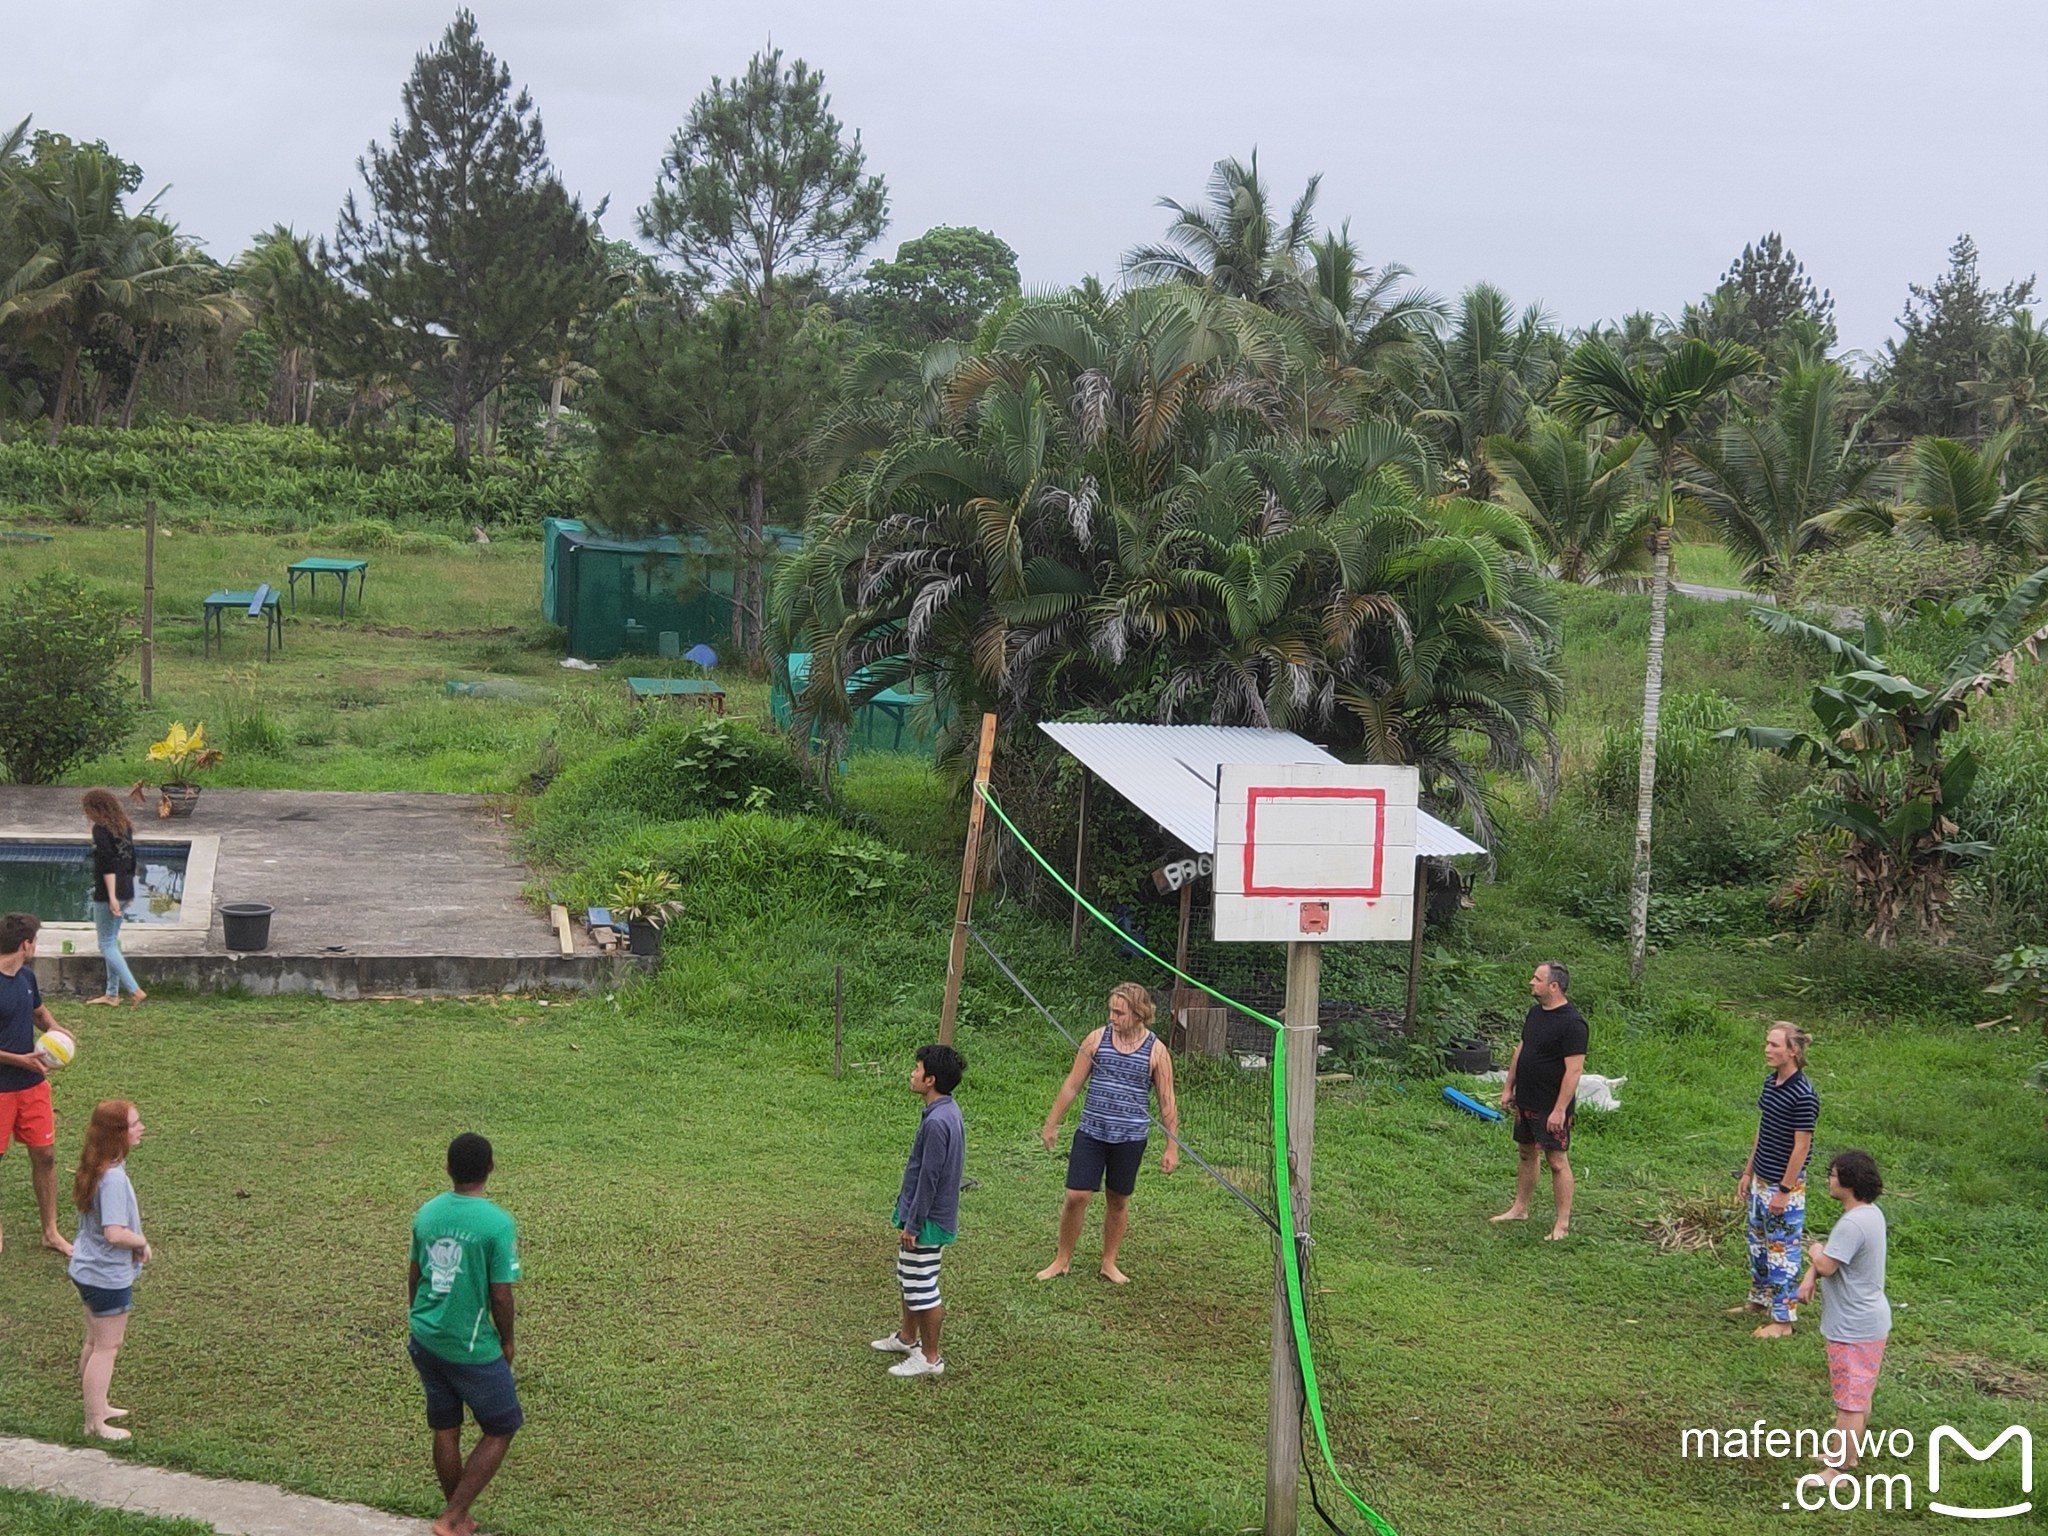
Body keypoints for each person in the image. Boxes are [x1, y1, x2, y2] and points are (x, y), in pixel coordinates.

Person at [408, 1133, 522, 1536]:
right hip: (469, 1345)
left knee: (446, 1426)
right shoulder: (496, 1224)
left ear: (448, 1168)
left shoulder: (427, 1213)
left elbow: (415, 1274)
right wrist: (506, 1340)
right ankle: (453, 1516)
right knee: (502, 1425)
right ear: (491, 1167)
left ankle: (459, 1515)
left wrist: (418, 1318)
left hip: (425, 1336)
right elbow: (500, 1294)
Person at [1035, 983, 1179, 1284]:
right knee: (1077, 1195)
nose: (1112, 1017)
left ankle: (1108, 1263)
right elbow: (1072, 1084)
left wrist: (1171, 1146)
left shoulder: (1157, 1051)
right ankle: (1062, 1260)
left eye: (1119, 1012)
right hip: (1091, 1132)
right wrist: (1051, 1123)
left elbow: (1167, 1101)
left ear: (1139, 1014)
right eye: (1111, 1010)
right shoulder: (1096, 1040)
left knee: (1118, 1199)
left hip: (1130, 1138)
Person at [872, 1043, 967, 1379]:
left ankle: (930, 1358)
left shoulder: (938, 1123)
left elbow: (930, 1178)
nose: (912, 1073)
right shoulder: (944, 1111)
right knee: (909, 1276)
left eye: (916, 1069)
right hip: (922, 1216)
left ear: (930, 1079)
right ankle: (907, 1338)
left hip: (926, 1220)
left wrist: (913, 1224)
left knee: (922, 1285)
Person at [1796, 1150, 1890, 1486]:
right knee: (1858, 1395)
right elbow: (1831, 1262)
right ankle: (1844, 1453)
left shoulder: (1850, 1223)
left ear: (1848, 1181)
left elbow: (1827, 1264)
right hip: (1868, 1321)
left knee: (1849, 1401)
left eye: (1833, 1174)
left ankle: (1837, 1469)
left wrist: (1812, 1250)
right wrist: (1811, 1273)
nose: (1829, 1179)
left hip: (1854, 1326)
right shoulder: (1870, 1214)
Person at [69, 1099, 150, 1441]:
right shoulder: (113, 1179)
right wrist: (140, 1241)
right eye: (134, 1124)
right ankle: (94, 1422)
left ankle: (97, 1405)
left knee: (94, 1340)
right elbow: (114, 1233)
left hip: (85, 1269)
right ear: (118, 1134)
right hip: (106, 1276)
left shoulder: (95, 1167)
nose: (141, 1128)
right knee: (107, 1347)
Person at [1735, 1022, 1820, 1339]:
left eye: (1774, 1045)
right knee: (1757, 1244)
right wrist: (1748, 1171)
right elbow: (1764, 1128)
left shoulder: (1804, 1095)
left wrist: (1784, 1190)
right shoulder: (1772, 1083)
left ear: (1793, 1051)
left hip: (1784, 1186)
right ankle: (1759, 1301)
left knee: (1781, 1252)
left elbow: (1802, 1147)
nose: (1767, 1050)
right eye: (1767, 1044)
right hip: (1761, 1178)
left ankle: (1783, 1320)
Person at [1492, 961, 1587, 1240]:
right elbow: (1522, 1049)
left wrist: (1559, 1110)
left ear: (1553, 986)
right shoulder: (1535, 1013)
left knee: (1557, 1161)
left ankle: (1562, 1224)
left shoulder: (1573, 1024)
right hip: (1527, 1098)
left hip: (1551, 1105)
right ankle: (1520, 1209)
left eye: (1537, 979)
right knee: (1525, 1153)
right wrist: (1509, 1087)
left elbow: (1574, 1070)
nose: (1531, 982)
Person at [0, 912, 73, 1257]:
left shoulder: (27, 977)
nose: (36, 947)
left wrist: (58, 1031)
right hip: (2, 1088)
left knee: (44, 1156)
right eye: (36, 941)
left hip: (31, 1085)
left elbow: (39, 1013)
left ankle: (50, 1232)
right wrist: (21, 1060)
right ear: (25, 944)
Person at [83, 789, 146, 1007]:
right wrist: (128, 891)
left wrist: (112, 897)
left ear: (96, 809)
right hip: (126, 888)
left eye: (88, 810)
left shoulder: (100, 830)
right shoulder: (124, 826)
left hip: (110, 892)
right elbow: (132, 859)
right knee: (112, 942)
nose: (87, 815)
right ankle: (112, 993)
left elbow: (107, 864)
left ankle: (134, 989)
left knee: (106, 944)